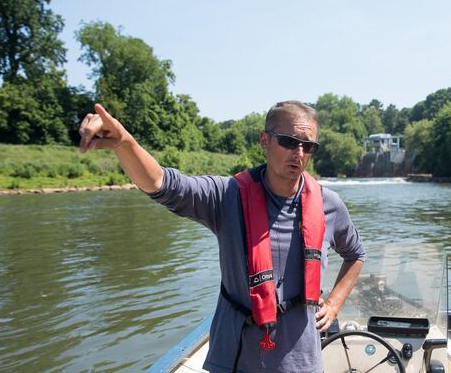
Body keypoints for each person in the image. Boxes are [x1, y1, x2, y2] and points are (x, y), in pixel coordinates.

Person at [78, 101, 365, 373]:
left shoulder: (330, 205)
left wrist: (334, 303)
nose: (299, 153)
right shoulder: (226, 196)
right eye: (289, 142)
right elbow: (163, 185)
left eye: (308, 146)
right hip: (238, 358)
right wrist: (124, 142)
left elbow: (355, 254)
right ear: (265, 140)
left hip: (302, 360)